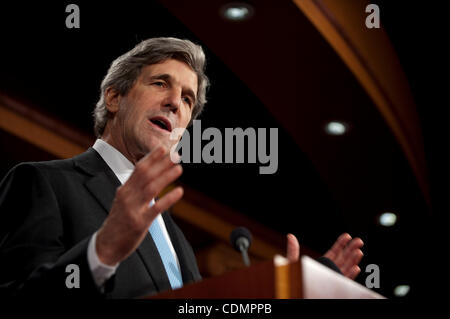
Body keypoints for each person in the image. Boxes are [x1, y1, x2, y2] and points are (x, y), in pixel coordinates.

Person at [0, 37, 364, 299]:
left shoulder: (177, 242)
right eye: (161, 83)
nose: (175, 103)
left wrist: (286, 293)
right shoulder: (42, 183)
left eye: (188, 99)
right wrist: (103, 250)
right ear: (114, 97)